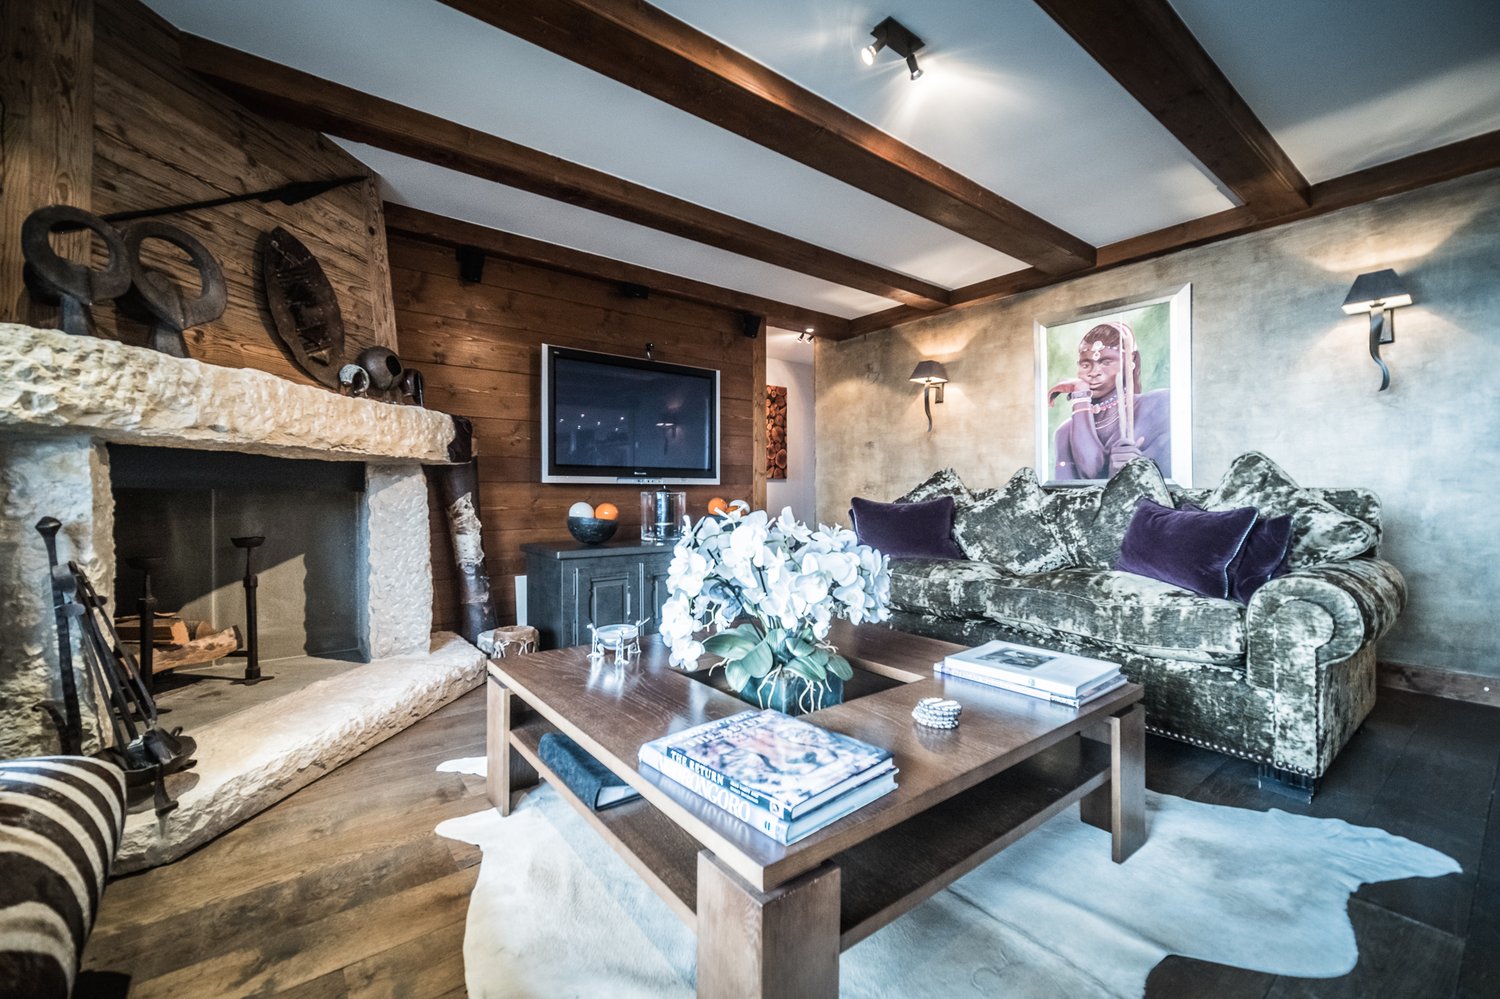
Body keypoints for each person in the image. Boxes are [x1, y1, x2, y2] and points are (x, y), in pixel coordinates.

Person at [1048, 321, 1171, 481]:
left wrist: (1136, 470)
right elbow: (1074, 487)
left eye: (1106, 362)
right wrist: (1081, 394)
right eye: (1086, 364)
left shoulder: (1159, 405)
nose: (1094, 372)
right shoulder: (1065, 432)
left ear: (1129, 361)